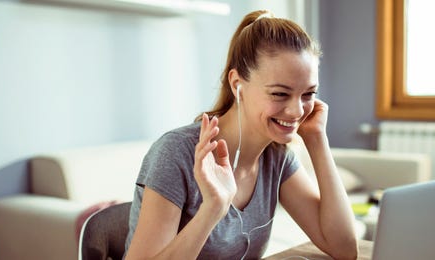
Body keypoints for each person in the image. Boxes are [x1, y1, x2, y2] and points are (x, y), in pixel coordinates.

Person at [124, 10, 358, 260]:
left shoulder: (277, 158)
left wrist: (317, 140)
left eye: (308, 94)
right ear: (237, 85)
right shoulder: (176, 153)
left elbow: (344, 249)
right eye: (280, 94)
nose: (297, 110)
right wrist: (212, 209)